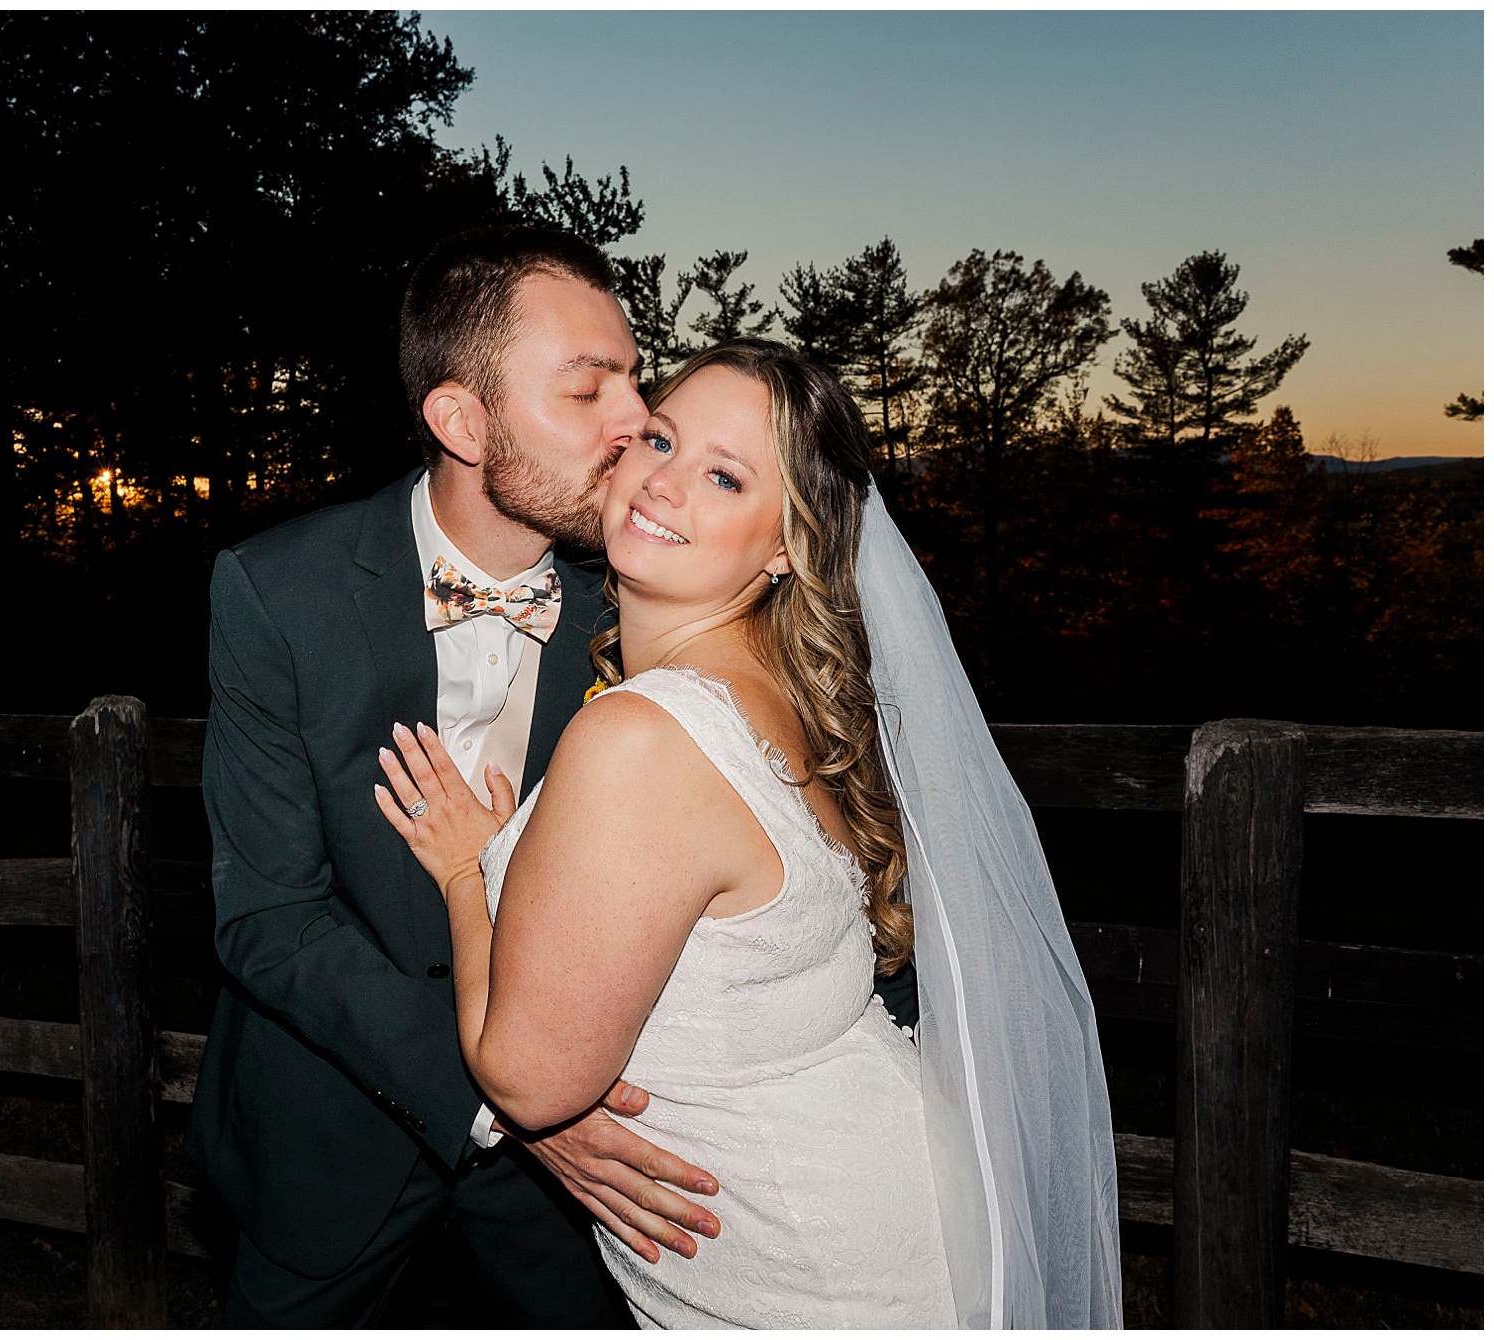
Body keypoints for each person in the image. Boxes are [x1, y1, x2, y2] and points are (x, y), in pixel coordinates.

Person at [377, 339, 1124, 1328]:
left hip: (809, 1277)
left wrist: (467, 869)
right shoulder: (775, 698)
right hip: (891, 1214)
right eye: (659, 438)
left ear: (783, 545)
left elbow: (527, 1076)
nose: (663, 482)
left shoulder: (639, 736)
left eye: (723, 475)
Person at [186, 225, 717, 1328]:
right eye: (587, 388)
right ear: (460, 419)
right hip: (328, 1130)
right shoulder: (278, 593)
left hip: (577, 1170)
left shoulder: (647, 602)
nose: (636, 418)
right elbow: (270, 916)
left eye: (633, 376)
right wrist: (503, 1102)